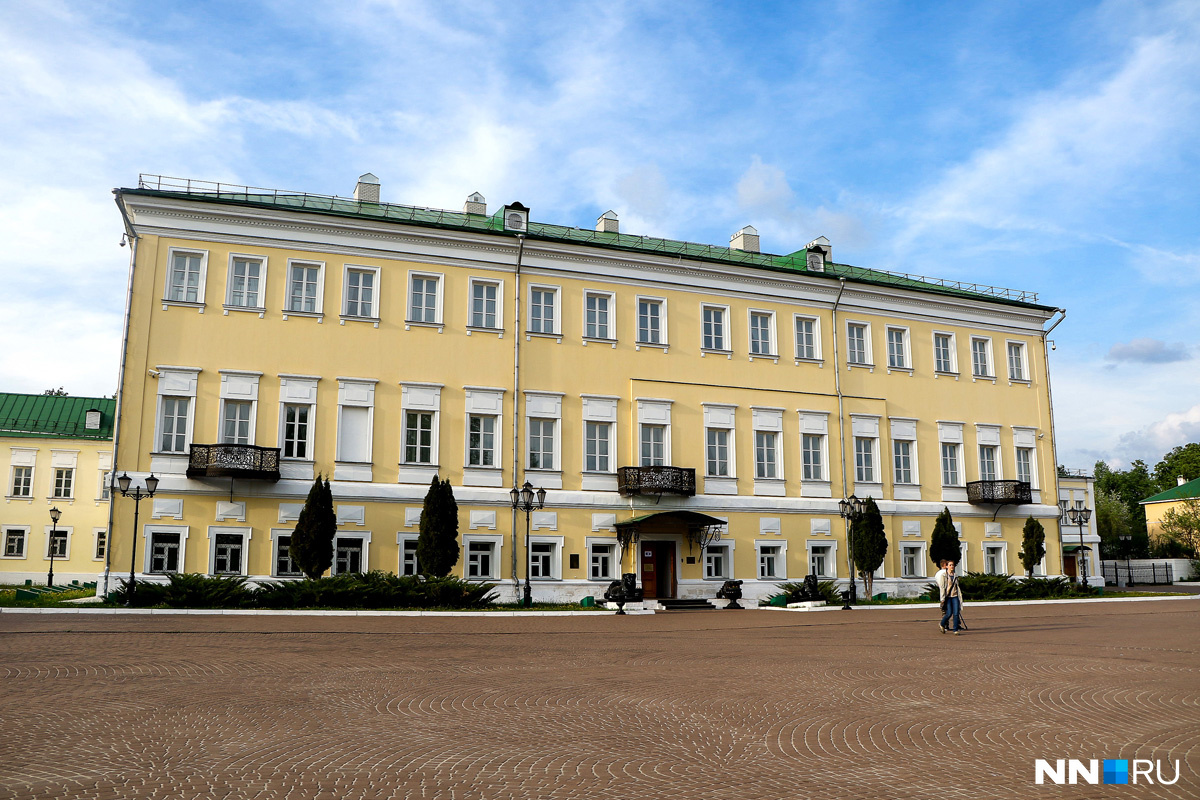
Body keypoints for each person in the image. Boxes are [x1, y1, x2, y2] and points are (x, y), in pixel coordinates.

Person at [937, 559, 963, 634]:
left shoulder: (955, 575)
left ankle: (955, 630)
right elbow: (942, 588)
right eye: (950, 565)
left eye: (953, 565)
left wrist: (959, 597)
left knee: (956, 613)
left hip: (955, 596)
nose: (952, 566)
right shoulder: (944, 576)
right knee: (949, 613)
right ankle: (942, 624)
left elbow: (957, 587)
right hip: (947, 597)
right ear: (947, 566)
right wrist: (942, 599)